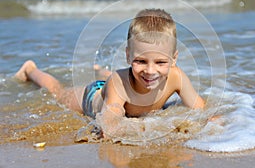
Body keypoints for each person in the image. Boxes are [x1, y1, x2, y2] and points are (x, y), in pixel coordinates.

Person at [15, 9, 206, 139]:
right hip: (93, 97)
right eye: (140, 61)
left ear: (174, 59)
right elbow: (112, 115)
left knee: (124, 78)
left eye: (160, 62)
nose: (150, 70)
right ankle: (31, 70)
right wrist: (111, 127)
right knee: (58, 92)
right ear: (128, 55)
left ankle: (100, 70)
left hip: (119, 82)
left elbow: (201, 109)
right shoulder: (118, 81)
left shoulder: (176, 77)